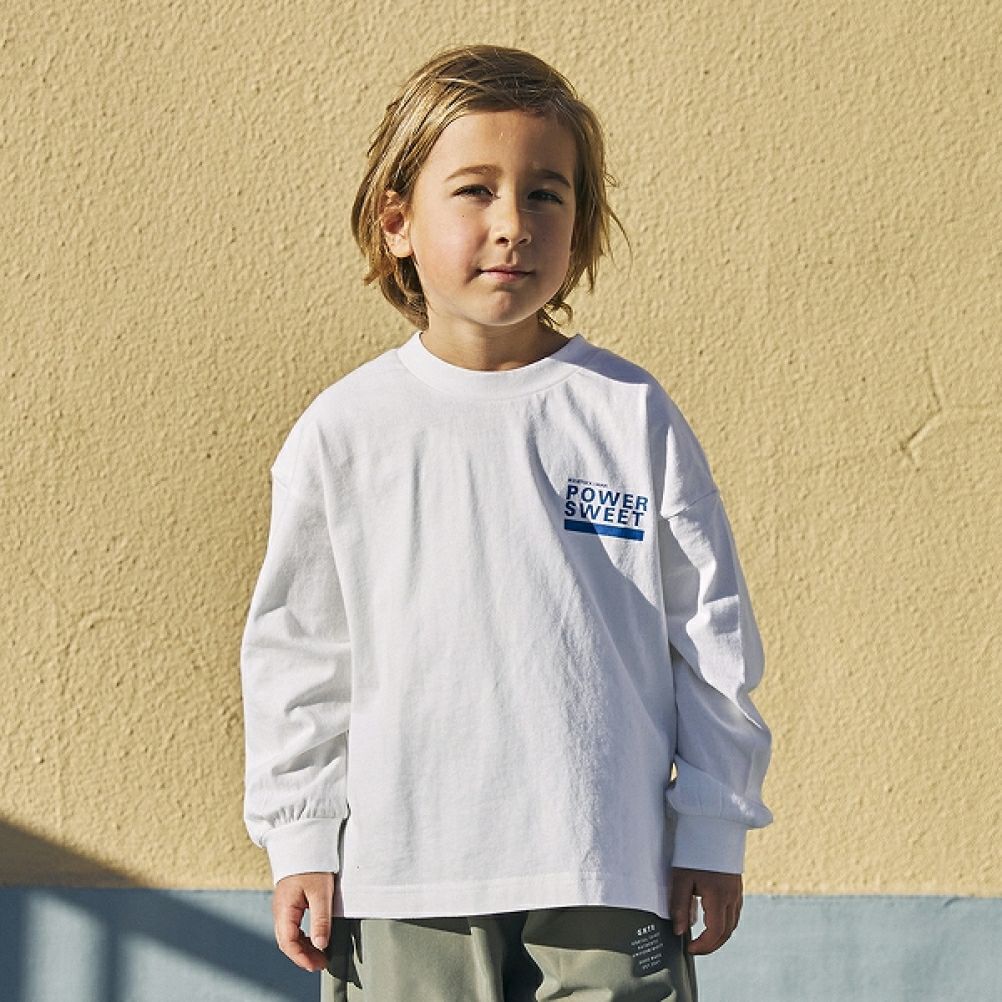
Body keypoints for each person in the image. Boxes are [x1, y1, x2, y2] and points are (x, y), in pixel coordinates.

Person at [240, 44, 772, 1002]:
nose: (513, 224)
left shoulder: (627, 413)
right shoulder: (346, 431)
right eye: (475, 190)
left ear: (581, 224)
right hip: (404, 879)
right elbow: (300, 654)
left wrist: (713, 824)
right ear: (397, 222)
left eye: (545, 194)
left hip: (605, 863)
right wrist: (300, 834)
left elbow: (708, 632)